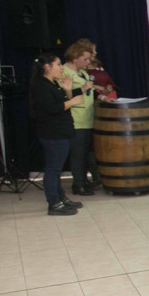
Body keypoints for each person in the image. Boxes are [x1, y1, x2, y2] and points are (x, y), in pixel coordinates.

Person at [29, 53, 86, 216]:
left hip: (61, 131)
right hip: (52, 134)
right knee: (53, 169)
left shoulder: (52, 84)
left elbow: (61, 104)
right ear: (47, 67)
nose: (61, 68)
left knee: (57, 168)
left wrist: (68, 91)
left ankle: (60, 198)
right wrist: (72, 100)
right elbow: (51, 109)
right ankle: (53, 203)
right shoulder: (41, 86)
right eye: (58, 64)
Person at [62, 42, 98, 195]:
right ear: (75, 57)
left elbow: (90, 92)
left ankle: (84, 180)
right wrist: (81, 89)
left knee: (85, 153)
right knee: (78, 153)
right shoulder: (65, 72)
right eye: (85, 59)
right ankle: (78, 184)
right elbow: (64, 95)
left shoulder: (82, 72)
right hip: (76, 119)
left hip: (88, 118)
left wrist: (101, 95)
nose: (88, 62)